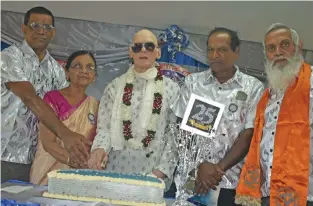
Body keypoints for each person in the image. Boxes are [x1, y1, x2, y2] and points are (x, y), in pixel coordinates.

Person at [171, 27, 264, 205]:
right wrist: (201, 166)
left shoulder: (253, 88)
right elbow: (181, 128)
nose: (215, 55)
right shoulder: (192, 83)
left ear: (236, 52)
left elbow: (248, 135)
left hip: (230, 181)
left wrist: (216, 169)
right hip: (192, 178)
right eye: (211, 49)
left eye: (222, 49)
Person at [1, 7, 90, 182]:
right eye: (35, 25)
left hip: (39, 158)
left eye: (47, 27)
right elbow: (29, 98)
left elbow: (66, 107)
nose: (41, 31)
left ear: (53, 32)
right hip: (6, 155)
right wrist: (65, 134)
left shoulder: (55, 69)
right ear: (24, 28)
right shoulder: (9, 57)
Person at [88, 29, 180, 189]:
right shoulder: (115, 86)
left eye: (149, 46)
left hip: (152, 173)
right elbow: (104, 128)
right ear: (131, 52)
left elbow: (174, 135)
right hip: (114, 169)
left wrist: (161, 171)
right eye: (138, 47)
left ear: (158, 52)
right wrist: (99, 149)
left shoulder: (172, 89)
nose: (143, 50)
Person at [235, 23, 313, 206]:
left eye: (284, 44)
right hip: (267, 194)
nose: (278, 52)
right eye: (271, 48)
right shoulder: (267, 95)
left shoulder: (310, 83)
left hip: (305, 194)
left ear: (298, 46)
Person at [29, 50, 99, 185]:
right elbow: (48, 142)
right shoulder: (52, 98)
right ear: (67, 73)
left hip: (79, 175)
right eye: (77, 66)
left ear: (94, 76)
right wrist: (71, 161)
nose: (84, 70)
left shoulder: (96, 106)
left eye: (90, 67)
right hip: (48, 170)